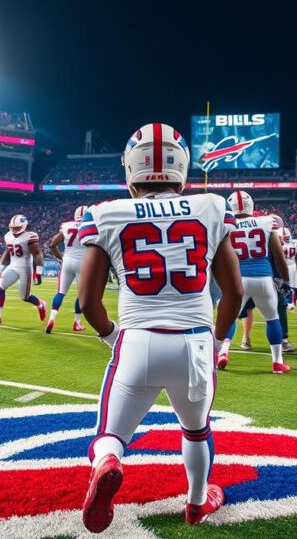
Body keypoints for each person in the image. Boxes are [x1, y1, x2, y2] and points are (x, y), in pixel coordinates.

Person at [77, 122, 242, 533]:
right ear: (182, 168)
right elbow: (234, 293)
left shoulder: (105, 213)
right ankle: (197, 502)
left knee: (109, 435)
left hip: (137, 341)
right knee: (197, 429)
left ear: (130, 170)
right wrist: (218, 341)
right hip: (195, 344)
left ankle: (109, 464)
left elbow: (87, 301)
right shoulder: (211, 206)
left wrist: (111, 336)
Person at [218, 191, 290, 373]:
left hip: (238, 279)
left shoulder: (226, 224)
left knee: (229, 318)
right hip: (263, 278)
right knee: (272, 318)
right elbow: (279, 256)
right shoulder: (266, 222)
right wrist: (285, 280)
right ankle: (277, 362)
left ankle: (223, 353)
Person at [0, 215, 46, 325]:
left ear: (24, 226)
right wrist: (0, 266)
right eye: (13, 227)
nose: (14, 230)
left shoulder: (30, 236)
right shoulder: (8, 236)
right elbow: (8, 252)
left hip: (25, 269)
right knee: (1, 285)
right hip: (13, 265)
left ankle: (40, 304)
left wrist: (39, 272)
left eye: (17, 227)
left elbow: (37, 253)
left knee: (25, 297)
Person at [46, 205, 89, 333]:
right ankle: (77, 322)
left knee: (60, 292)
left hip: (67, 260)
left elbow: (53, 244)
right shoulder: (91, 226)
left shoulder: (66, 225)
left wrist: (60, 258)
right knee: (81, 294)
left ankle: (51, 319)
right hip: (83, 262)